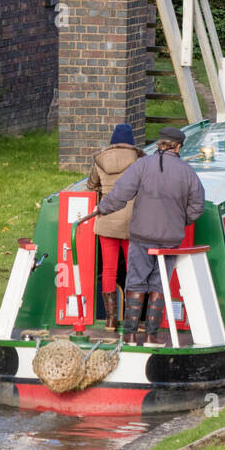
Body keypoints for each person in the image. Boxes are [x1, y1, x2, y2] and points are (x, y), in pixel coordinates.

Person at [91, 126, 206, 347]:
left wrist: (102, 208)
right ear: (179, 147)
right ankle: (152, 335)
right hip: (170, 238)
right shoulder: (187, 172)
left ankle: (131, 335)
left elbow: (121, 193)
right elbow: (197, 207)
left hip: (141, 236)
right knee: (159, 284)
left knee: (135, 281)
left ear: (160, 144)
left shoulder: (142, 166)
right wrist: (180, 221)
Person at [85, 123, 142, 331]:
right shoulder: (138, 159)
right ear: (131, 142)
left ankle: (110, 320)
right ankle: (132, 319)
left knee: (108, 269)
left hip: (106, 218)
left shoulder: (100, 160)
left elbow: (91, 185)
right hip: (131, 222)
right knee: (133, 269)